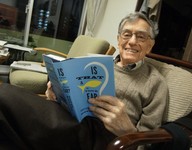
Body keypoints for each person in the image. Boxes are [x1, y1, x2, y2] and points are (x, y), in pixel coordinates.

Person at [0, 12, 168, 150]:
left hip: (102, 138)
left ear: (150, 45)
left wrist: (127, 130)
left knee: (4, 95)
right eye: (127, 35)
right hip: (69, 121)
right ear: (118, 40)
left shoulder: (155, 82)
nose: (132, 41)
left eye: (141, 37)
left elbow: (149, 143)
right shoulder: (97, 64)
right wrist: (58, 95)